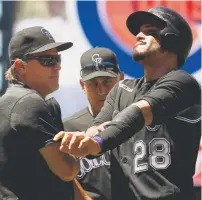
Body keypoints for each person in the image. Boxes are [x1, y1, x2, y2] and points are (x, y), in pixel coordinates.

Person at [54, 6, 201, 200]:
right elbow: (98, 128)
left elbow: (138, 114)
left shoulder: (184, 83)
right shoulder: (122, 89)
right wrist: (83, 140)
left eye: (150, 32)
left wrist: (95, 143)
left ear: (172, 39)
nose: (139, 35)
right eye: (138, 31)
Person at [0, 26, 80, 200]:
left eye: (57, 58)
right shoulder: (29, 101)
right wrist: (81, 147)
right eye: (47, 60)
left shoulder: (12, 100)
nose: (57, 66)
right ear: (20, 67)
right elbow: (66, 171)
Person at [63, 47, 124, 200]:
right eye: (93, 83)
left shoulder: (138, 121)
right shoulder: (67, 129)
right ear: (82, 85)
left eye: (107, 82)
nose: (101, 90)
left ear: (121, 79)